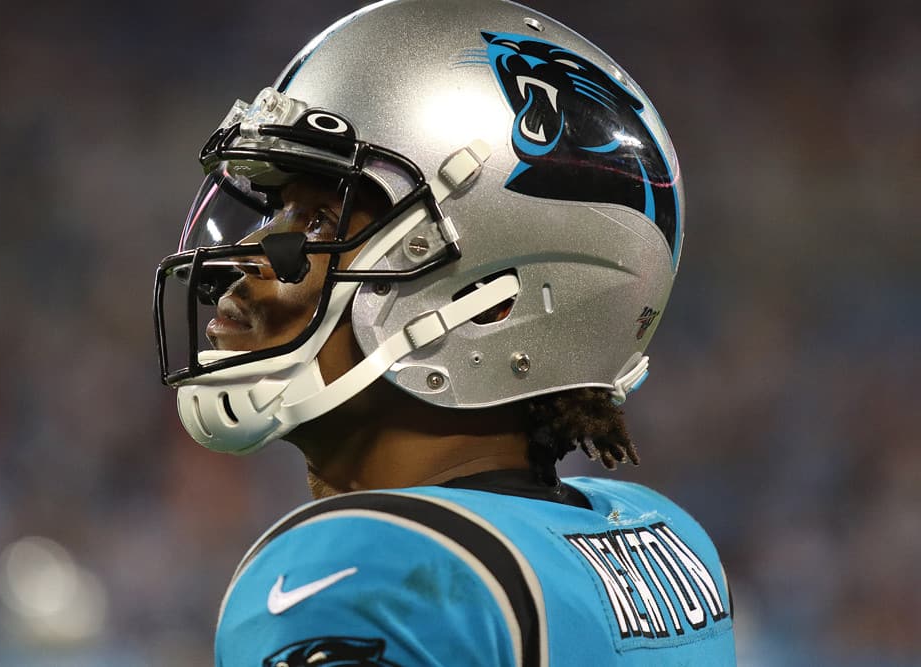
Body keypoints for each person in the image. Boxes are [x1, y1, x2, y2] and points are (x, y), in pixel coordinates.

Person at [153, 0, 737, 664]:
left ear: (491, 304)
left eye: (319, 222)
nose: (244, 269)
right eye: (274, 214)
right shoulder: (661, 545)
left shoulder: (361, 569)